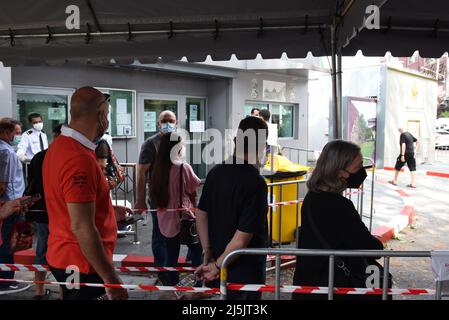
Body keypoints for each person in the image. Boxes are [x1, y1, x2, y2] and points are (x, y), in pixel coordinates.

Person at [43, 87, 128, 300]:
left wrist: (107, 209)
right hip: (81, 263)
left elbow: (69, 203)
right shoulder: (78, 158)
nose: (107, 121)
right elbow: (82, 227)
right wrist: (111, 278)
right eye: (107, 115)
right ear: (100, 116)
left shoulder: (60, 146)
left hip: (66, 255)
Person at [292, 140, 384, 300]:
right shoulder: (339, 205)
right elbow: (367, 245)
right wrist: (377, 243)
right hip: (331, 284)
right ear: (339, 171)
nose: (362, 172)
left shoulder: (312, 197)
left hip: (308, 282)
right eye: (357, 167)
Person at [195, 116, 269, 300]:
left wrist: (207, 251)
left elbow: (201, 214)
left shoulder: (215, 172)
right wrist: (218, 266)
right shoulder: (256, 183)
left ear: (236, 140)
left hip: (217, 258)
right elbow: (241, 239)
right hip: (244, 269)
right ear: (261, 146)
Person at [150, 132, 203, 286]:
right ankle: (198, 286)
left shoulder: (158, 168)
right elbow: (194, 187)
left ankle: (170, 286)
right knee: (196, 252)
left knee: (170, 255)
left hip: (164, 218)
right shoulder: (182, 167)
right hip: (184, 217)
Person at [135, 111, 178, 273]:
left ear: (177, 122)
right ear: (158, 124)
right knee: (160, 233)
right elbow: (141, 173)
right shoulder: (150, 143)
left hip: (177, 198)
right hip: (158, 197)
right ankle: (161, 270)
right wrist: (140, 200)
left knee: (174, 234)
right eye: (164, 121)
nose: (168, 123)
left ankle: (171, 268)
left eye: (171, 120)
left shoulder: (178, 141)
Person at [25, 124, 62, 300]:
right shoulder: (68, 157)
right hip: (63, 214)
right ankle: (66, 292)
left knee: (41, 250)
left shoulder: (39, 157)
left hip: (41, 211)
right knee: (67, 252)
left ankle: (39, 291)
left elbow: (31, 185)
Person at [0, 117, 28, 294]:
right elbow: (4, 183)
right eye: (15, 133)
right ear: (5, 132)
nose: (17, 137)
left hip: (7, 203)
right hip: (9, 204)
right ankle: (5, 281)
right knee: (7, 242)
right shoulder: (7, 153)